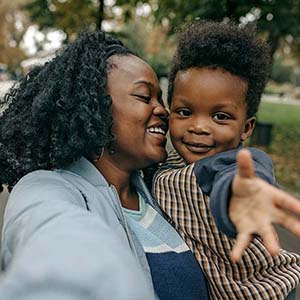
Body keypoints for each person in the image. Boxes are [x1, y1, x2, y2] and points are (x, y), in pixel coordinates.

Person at [0, 30, 299, 300]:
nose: (163, 111)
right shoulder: (50, 189)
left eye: (161, 98)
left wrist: (242, 195)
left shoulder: (158, 181)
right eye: (145, 97)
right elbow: (53, 234)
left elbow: (233, 174)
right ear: (94, 105)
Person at [153, 20, 300, 300]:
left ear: (246, 127)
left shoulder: (237, 164)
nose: (199, 126)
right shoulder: (164, 162)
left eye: (220, 117)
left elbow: (236, 183)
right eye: (184, 112)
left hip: (268, 291)